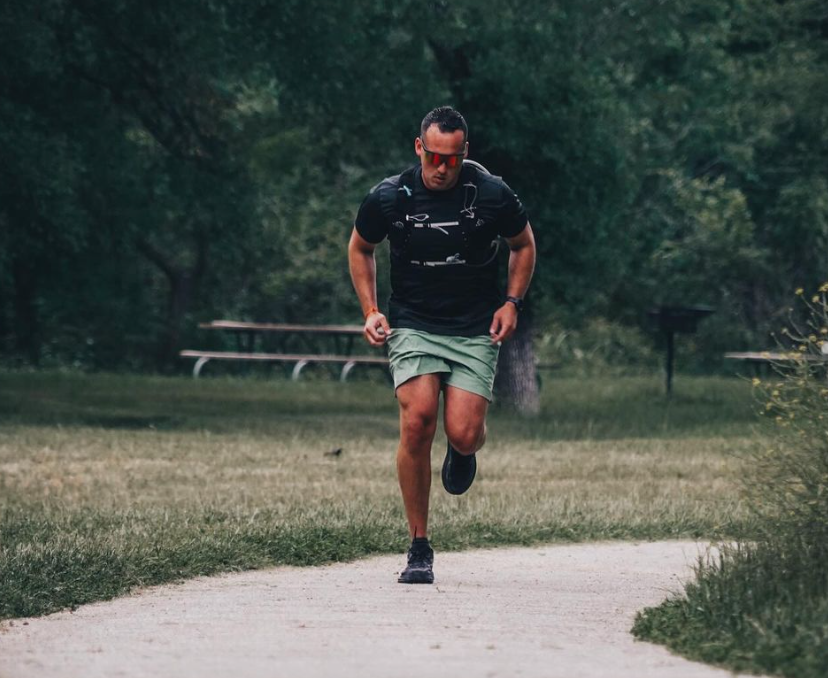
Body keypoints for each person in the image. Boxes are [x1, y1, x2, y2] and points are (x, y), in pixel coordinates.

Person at [348, 106, 536, 584]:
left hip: (474, 326)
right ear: (420, 148)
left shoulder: (492, 193)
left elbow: (523, 244)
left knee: (464, 432)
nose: (442, 168)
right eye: (435, 157)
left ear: (464, 153)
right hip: (413, 322)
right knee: (417, 422)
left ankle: (463, 450)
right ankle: (418, 546)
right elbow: (360, 247)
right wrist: (371, 310)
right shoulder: (390, 197)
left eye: (452, 160)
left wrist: (512, 301)